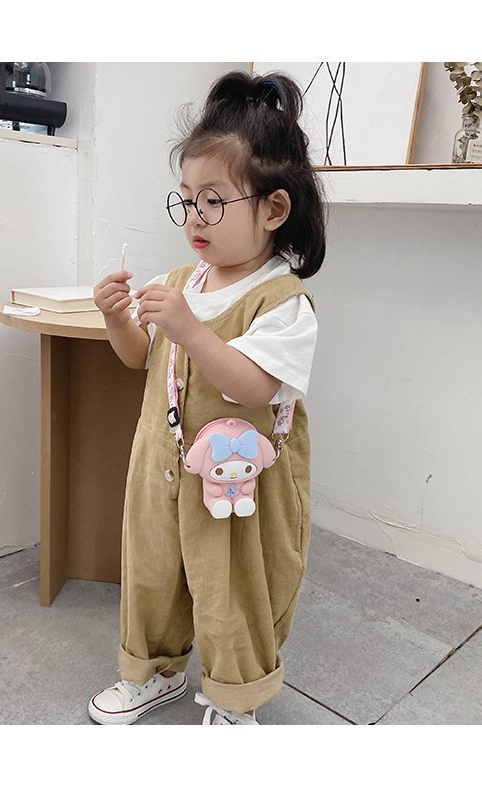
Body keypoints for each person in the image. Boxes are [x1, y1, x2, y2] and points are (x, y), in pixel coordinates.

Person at [89, 70, 326, 725]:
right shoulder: (180, 280)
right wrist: (116, 318)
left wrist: (191, 329)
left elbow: (253, 385)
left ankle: (232, 699)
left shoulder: (282, 302)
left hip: (237, 484)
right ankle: (154, 672)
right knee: (152, 574)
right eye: (188, 199)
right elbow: (140, 357)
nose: (195, 216)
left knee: (232, 591)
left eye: (215, 201)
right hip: (160, 467)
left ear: (273, 210)